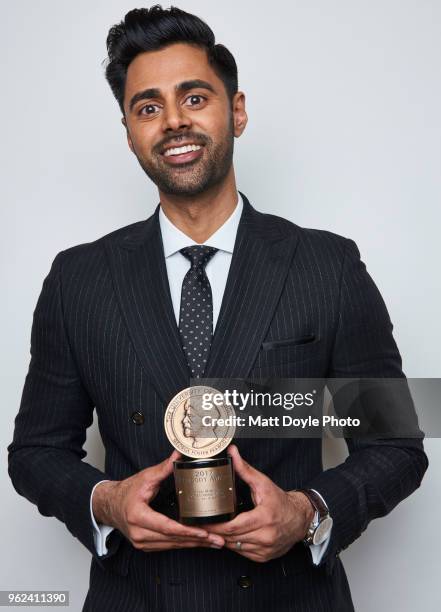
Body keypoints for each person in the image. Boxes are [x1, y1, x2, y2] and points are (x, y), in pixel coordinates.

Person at [7, 6, 428, 611]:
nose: (173, 121)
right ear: (129, 132)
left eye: (195, 97)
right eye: (147, 107)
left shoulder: (328, 267)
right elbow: (36, 452)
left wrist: (309, 511)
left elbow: (396, 444)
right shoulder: (78, 278)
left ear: (237, 111)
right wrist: (107, 502)